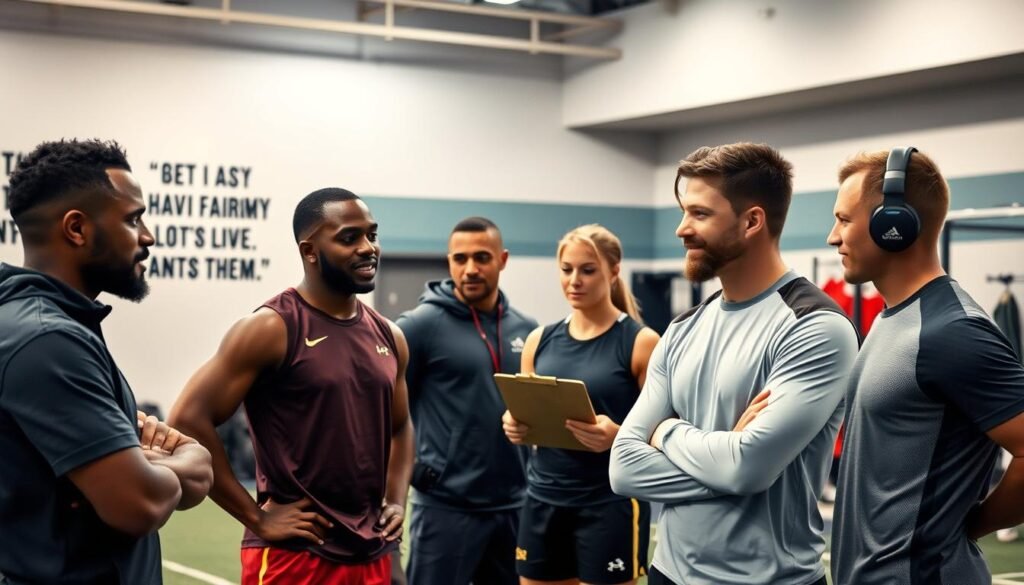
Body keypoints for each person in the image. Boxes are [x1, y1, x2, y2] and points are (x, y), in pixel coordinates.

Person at [609, 142, 858, 585]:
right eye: (684, 212)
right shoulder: (683, 329)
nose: (682, 230)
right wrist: (727, 459)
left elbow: (747, 468)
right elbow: (624, 467)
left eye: (700, 214)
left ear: (751, 221)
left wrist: (666, 432)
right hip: (669, 573)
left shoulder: (815, 328)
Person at [168, 188, 413, 585]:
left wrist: (396, 500)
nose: (369, 248)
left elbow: (401, 426)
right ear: (310, 250)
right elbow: (187, 419)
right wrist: (257, 517)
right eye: (350, 238)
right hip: (297, 558)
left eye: (372, 234)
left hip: (372, 552)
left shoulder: (390, 336)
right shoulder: (272, 328)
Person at [0, 139, 213, 584]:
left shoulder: (51, 326)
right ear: (77, 229)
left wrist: (148, 467)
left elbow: (181, 486)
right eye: (133, 219)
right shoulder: (48, 341)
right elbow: (139, 505)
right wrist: (181, 457)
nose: (149, 237)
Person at [827, 148, 1024, 584]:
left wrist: (975, 525)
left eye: (843, 219)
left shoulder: (952, 332)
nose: (832, 237)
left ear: (892, 225)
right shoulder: (891, 319)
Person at [502, 224, 661, 585]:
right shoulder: (538, 340)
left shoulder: (641, 342)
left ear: (613, 271)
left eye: (587, 270)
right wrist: (515, 423)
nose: (575, 280)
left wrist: (618, 436)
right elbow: (527, 412)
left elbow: (668, 432)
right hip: (543, 499)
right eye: (567, 269)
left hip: (609, 502)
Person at [396, 216, 537, 585]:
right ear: (449, 262)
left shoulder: (528, 330)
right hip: (446, 509)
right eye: (460, 259)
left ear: (502, 260)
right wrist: (411, 469)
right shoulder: (419, 326)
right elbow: (381, 411)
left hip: (513, 506)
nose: (470, 269)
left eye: (482, 258)